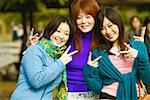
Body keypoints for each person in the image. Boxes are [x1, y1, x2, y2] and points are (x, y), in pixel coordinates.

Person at [26, 0, 100, 99]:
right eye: (79, 17)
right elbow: (45, 59)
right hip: (68, 94)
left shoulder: (102, 41)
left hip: (95, 94)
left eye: (88, 17)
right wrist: (35, 48)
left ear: (95, 17)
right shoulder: (67, 39)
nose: (83, 21)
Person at [83, 7, 150, 100]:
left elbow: (147, 79)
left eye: (110, 25)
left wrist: (140, 56)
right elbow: (98, 88)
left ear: (118, 23)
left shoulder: (138, 46)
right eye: (102, 28)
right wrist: (89, 72)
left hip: (135, 96)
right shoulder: (98, 53)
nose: (108, 32)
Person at [10, 15, 78, 100]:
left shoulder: (57, 56)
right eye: (58, 31)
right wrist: (60, 63)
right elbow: (36, 81)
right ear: (50, 30)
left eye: (66, 33)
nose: (61, 36)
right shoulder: (34, 50)